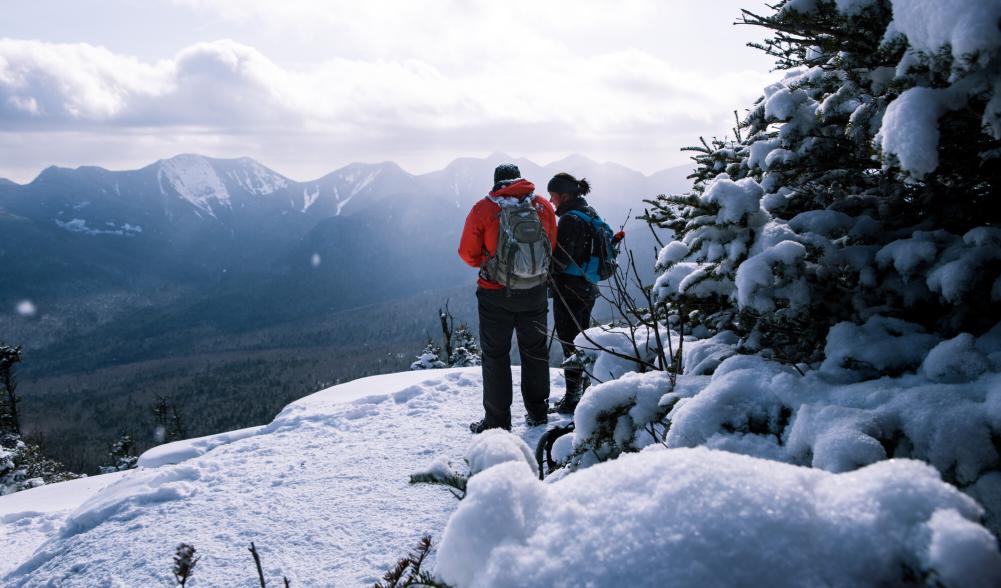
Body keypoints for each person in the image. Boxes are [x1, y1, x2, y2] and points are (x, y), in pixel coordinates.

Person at [458, 163, 557, 433]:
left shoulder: (484, 209)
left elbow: (467, 253)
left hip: (495, 293)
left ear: (496, 182)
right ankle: (538, 412)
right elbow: (551, 245)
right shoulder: (543, 207)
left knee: (495, 356)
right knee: (535, 352)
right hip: (535, 291)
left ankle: (498, 421)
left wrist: (492, 264)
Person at [547, 172, 600, 414]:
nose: (551, 201)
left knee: (571, 343)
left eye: (553, 196)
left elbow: (561, 260)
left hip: (569, 290)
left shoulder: (569, 220)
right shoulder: (589, 213)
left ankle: (573, 397)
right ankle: (586, 390)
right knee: (582, 340)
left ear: (565, 196)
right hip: (587, 287)